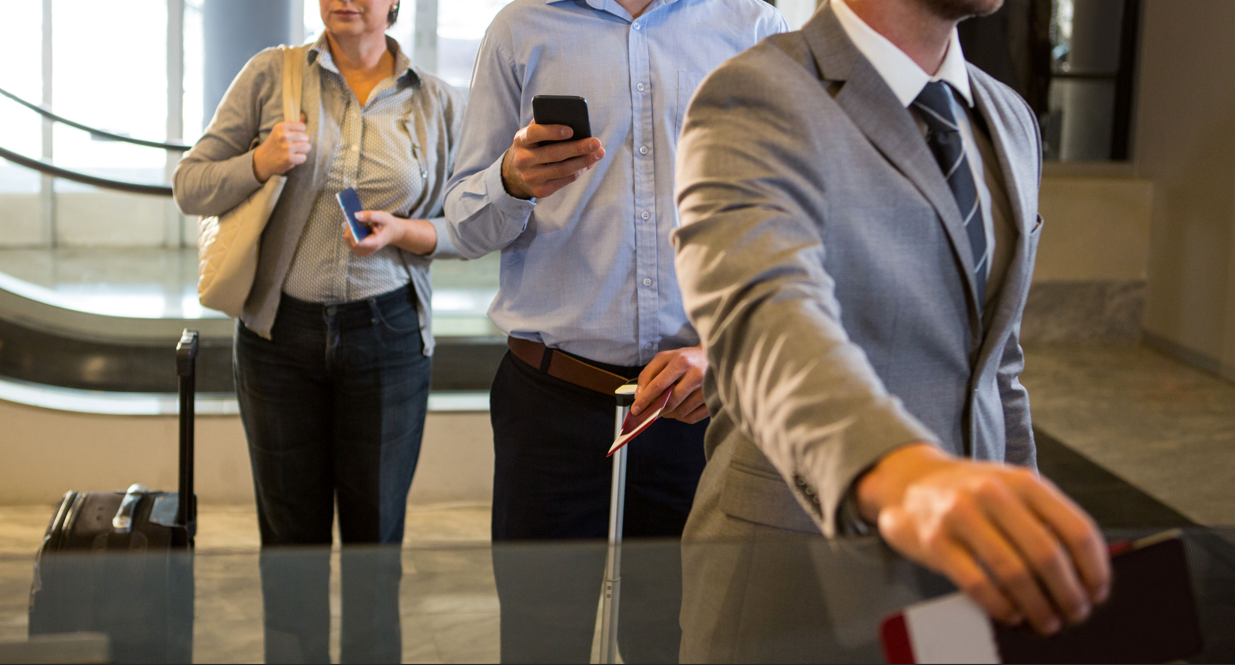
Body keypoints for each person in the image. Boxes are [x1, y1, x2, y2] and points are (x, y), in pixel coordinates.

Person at [672, 0, 1112, 660]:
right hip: (792, 581)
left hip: (961, 584)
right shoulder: (757, 93)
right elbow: (765, 316)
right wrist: (906, 475)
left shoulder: (1011, 119)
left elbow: (996, 368)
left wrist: (1026, 528)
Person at [442, 0, 787, 660]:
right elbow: (462, 220)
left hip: (695, 407)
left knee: (683, 638)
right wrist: (511, 181)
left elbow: (793, 226)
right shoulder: (520, 29)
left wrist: (724, 350)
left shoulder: (753, 29)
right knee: (541, 640)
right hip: (549, 402)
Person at [171, 0, 463, 661]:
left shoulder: (436, 103)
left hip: (388, 339)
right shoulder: (271, 75)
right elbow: (190, 185)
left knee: (375, 548)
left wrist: (409, 231)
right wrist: (260, 162)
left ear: (393, 3)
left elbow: (469, 223)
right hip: (280, 342)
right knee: (289, 548)